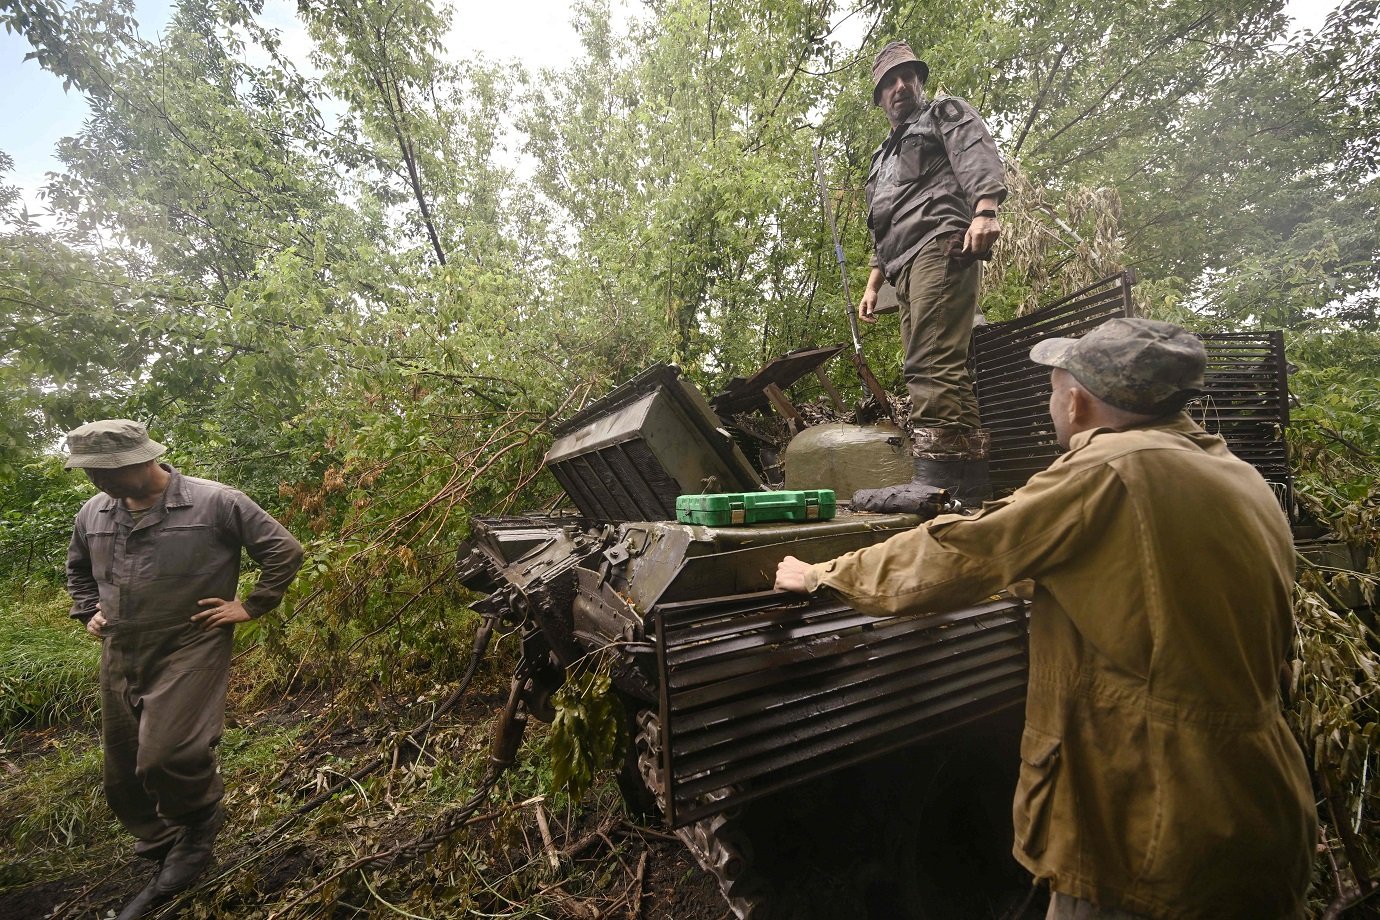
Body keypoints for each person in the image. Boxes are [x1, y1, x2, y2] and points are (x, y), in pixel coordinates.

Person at [776, 319, 1316, 919]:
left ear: (1077, 399)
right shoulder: (1235, 473)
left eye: (1053, 389)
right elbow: (1145, 573)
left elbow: (961, 552)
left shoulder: (1106, 469)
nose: (1051, 402)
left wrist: (822, 574)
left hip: (1150, 820)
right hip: (1257, 801)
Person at [64, 419, 304, 920]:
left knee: (168, 753)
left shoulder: (215, 502)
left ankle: (197, 826)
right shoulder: (94, 512)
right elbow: (79, 569)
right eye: (90, 472)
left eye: (105, 471)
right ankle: (162, 847)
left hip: (190, 644)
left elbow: (283, 550)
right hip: (122, 649)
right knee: (124, 771)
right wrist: (89, 610)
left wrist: (252, 604)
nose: (96, 481)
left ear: (140, 460)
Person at [854, 40, 1007, 510]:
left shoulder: (942, 112)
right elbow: (885, 221)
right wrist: (874, 281)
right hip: (903, 268)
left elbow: (974, 150)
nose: (900, 87)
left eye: (907, 77)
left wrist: (985, 209)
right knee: (944, 370)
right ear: (880, 97)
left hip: (941, 242)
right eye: (889, 82)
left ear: (918, 81)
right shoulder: (881, 160)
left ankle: (934, 483)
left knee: (929, 363)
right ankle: (966, 491)